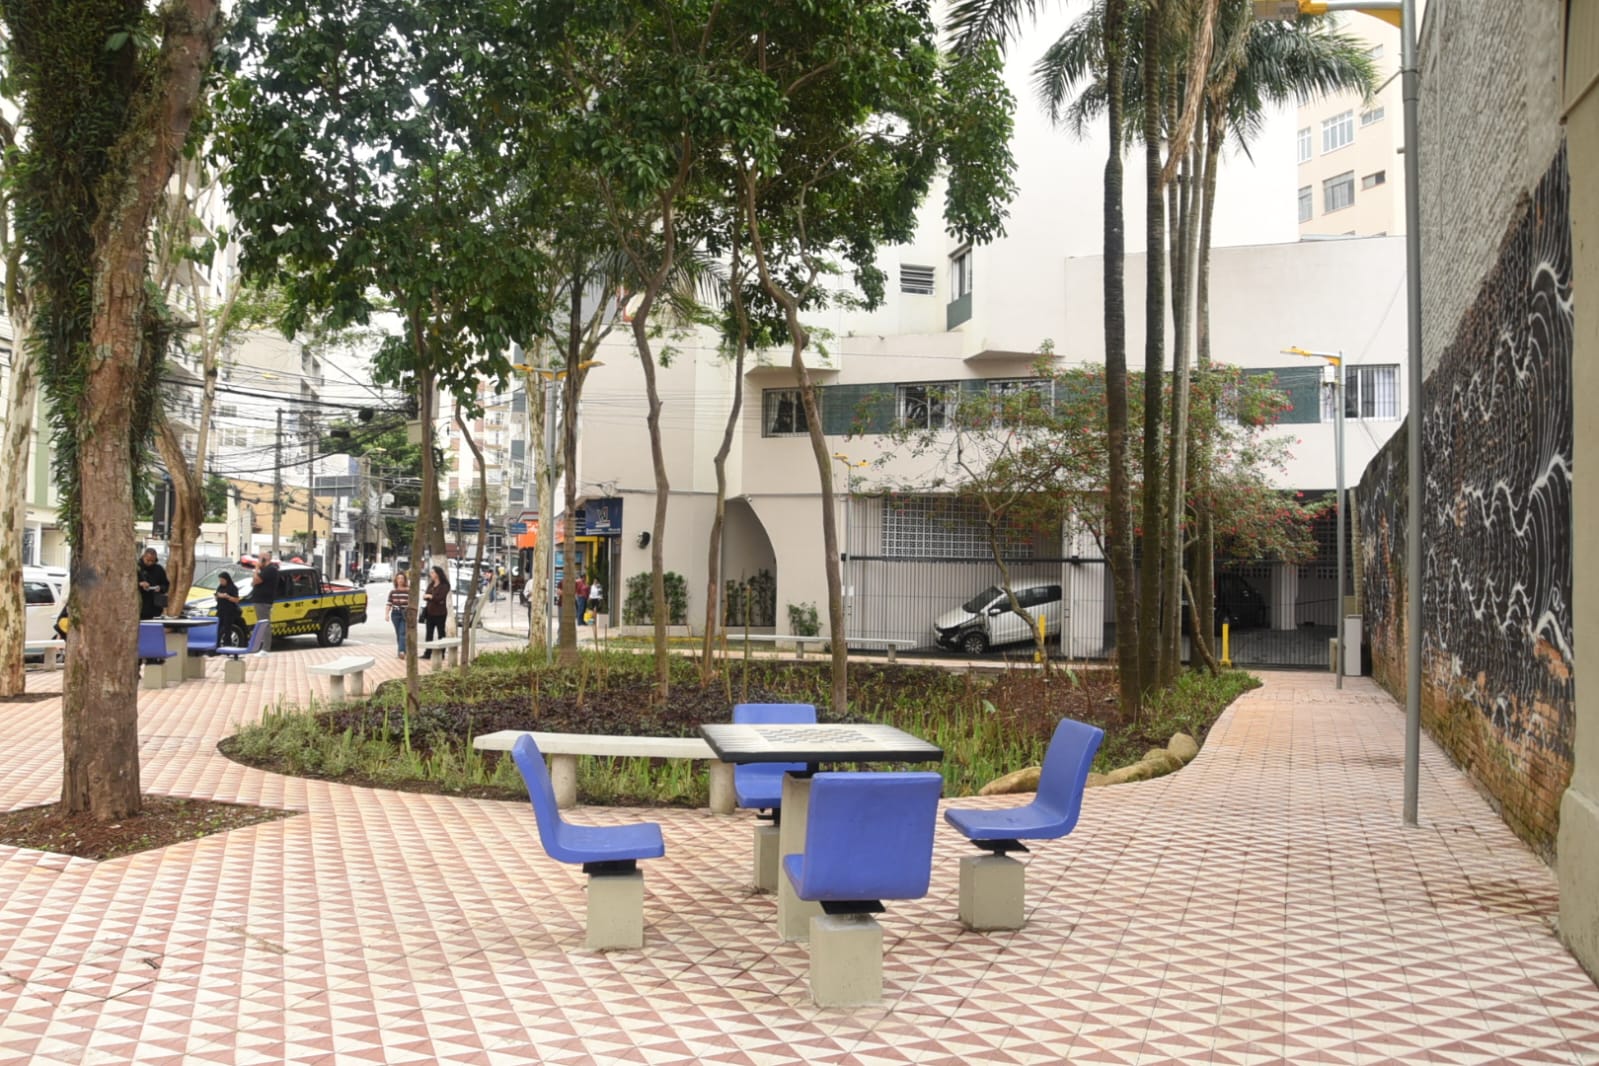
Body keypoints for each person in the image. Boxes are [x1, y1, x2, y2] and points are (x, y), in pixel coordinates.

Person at [250, 550, 279, 652]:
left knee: (264, 624)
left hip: (263, 601)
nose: (258, 561)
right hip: (259, 600)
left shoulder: (270, 569)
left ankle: (266, 648)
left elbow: (257, 580)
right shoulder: (264, 570)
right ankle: (259, 647)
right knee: (261, 624)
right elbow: (253, 583)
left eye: (259, 558)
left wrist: (257, 568)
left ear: (264, 559)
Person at [421, 565, 450, 657]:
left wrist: (431, 597)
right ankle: (427, 652)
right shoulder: (431, 584)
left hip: (440, 613)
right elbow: (426, 595)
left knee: (441, 632)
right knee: (429, 633)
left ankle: (442, 652)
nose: (431, 574)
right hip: (430, 612)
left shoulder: (444, 586)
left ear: (437, 574)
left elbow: (440, 598)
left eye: (433, 572)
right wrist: (430, 597)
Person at [137, 548, 168, 620]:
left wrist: (160, 588)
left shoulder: (159, 569)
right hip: (140, 605)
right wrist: (140, 584)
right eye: (148, 560)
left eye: (152, 561)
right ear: (143, 557)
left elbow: (166, 585)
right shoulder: (137, 568)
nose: (150, 563)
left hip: (155, 607)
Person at [214, 571, 244, 645]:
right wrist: (217, 596)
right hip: (220, 610)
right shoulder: (220, 587)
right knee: (218, 628)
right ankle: (217, 644)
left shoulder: (232, 588)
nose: (221, 582)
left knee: (227, 629)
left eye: (222, 580)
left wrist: (227, 597)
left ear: (227, 580)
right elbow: (217, 595)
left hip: (229, 612)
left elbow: (236, 600)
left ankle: (227, 644)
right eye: (220, 580)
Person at [387, 571, 410, 658]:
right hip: (395, 613)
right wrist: (386, 614)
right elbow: (389, 603)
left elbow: (412, 603)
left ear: (405, 580)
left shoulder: (408, 591)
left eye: (402, 578)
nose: (400, 580)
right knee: (398, 633)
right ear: (396, 580)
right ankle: (402, 650)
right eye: (398, 578)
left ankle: (401, 651)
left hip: (405, 613)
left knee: (402, 632)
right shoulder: (393, 592)